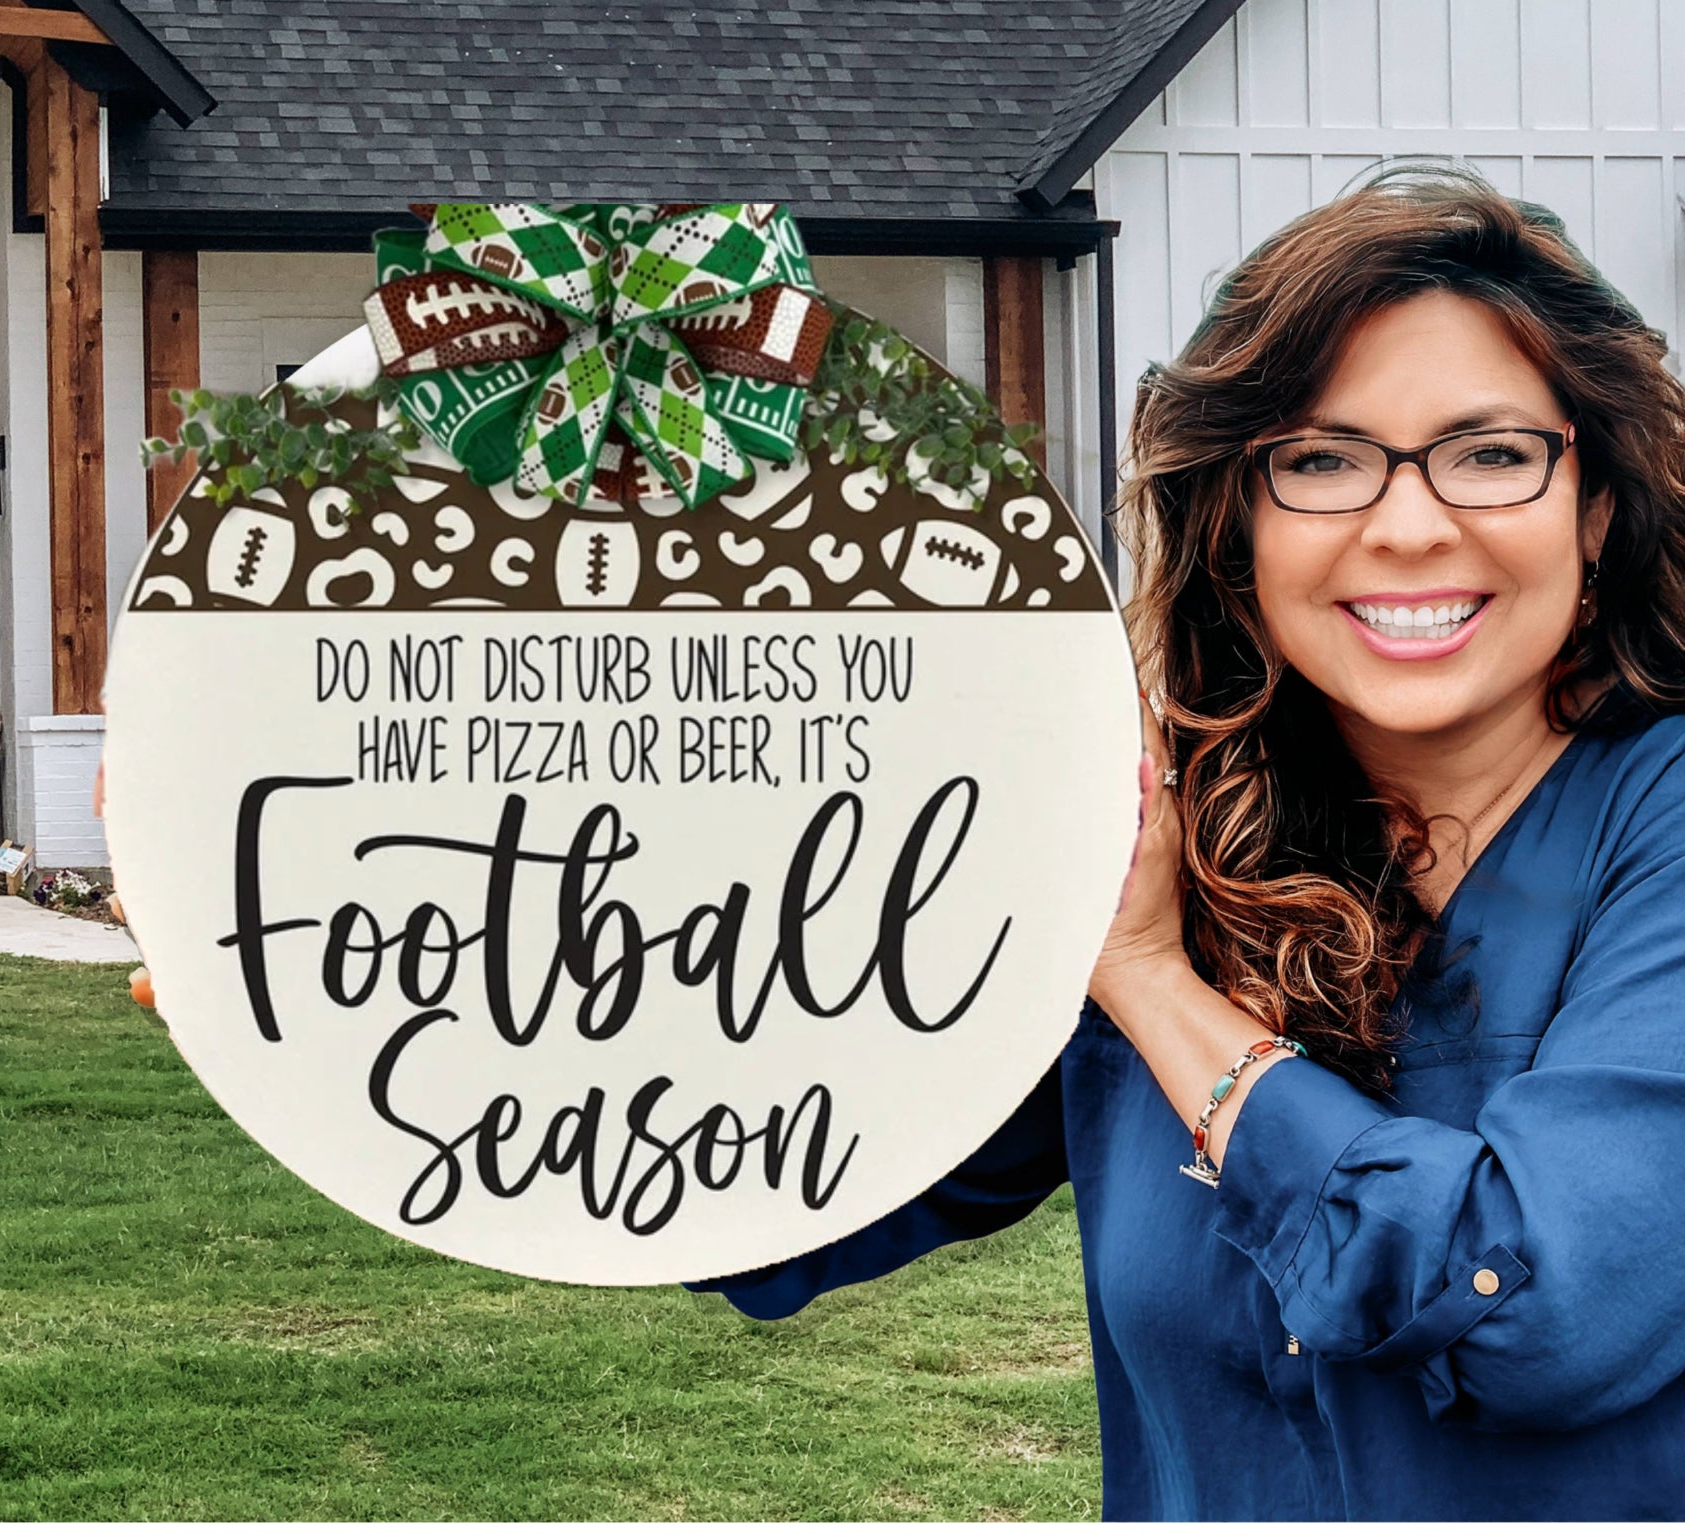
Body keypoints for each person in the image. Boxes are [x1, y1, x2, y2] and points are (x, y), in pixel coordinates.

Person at [102, 163, 1685, 1519]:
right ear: (1240, 517)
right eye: (1322, 461)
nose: (1406, 525)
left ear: (1595, 504)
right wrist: (342, 1035)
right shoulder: (1163, 834)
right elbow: (796, 1177)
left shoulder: (1646, 824)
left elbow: (1539, 1308)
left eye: (1490, 452)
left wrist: (1144, 978)